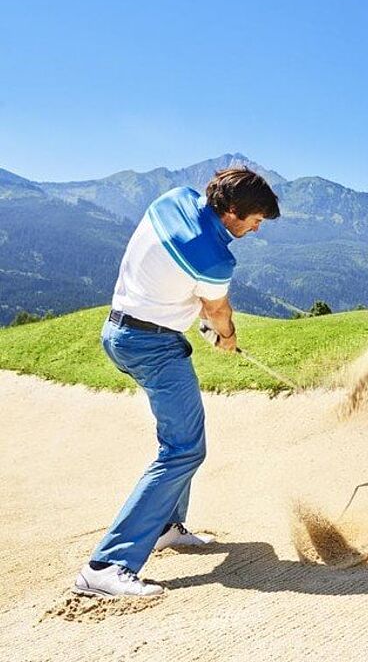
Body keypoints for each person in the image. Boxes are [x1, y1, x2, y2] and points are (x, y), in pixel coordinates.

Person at [72, 167, 280, 597]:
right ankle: (107, 564)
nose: (257, 229)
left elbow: (181, 285)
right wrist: (227, 337)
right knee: (184, 448)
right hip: (152, 346)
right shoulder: (216, 256)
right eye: (256, 220)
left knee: (182, 440)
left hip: (121, 329)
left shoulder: (175, 199)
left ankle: (167, 525)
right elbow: (217, 312)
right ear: (234, 213)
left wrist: (201, 320)